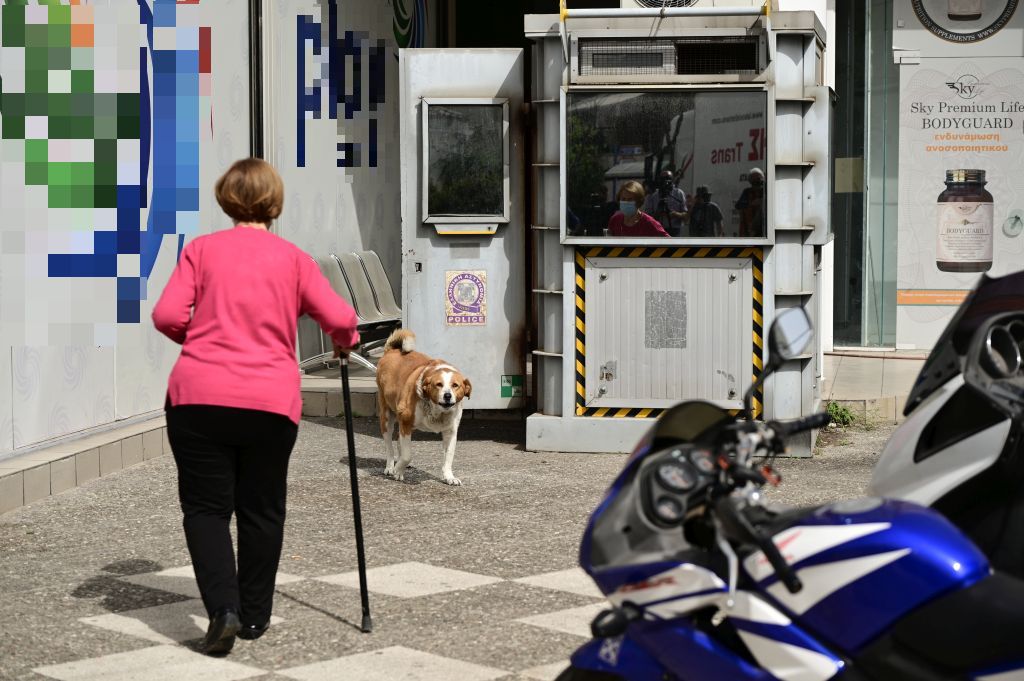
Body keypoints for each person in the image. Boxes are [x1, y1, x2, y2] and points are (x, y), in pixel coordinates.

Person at [152, 158, 359, 655]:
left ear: (226, 199)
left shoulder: (201, 251)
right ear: (274, 203)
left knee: (205, 508)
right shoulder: (292, 259)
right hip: (269, 402)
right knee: (261, 508)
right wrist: (344, 342)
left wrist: (197, 336)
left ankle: (222, 608)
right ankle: (253, 617)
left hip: (197, 397)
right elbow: (341, 317)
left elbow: (165, 315)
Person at [642, 170, 688, 237]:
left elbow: (686, 215)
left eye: (668, 178)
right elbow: (647, 217)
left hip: (674, 231)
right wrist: (658, 213)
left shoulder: (679, 193)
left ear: (672, 179)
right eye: (663, 179)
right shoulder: (653, 196)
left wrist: (676, 214)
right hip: (657, 229)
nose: (665, 181)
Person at [735, 167, 765, 238]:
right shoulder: (747, 192)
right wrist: (751, 204)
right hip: (749, 229)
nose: (757, 184)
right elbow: (738, 206)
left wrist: (763, 201)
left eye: (758, 180)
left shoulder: (766, 191)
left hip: (764, 229)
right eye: (754, 181)